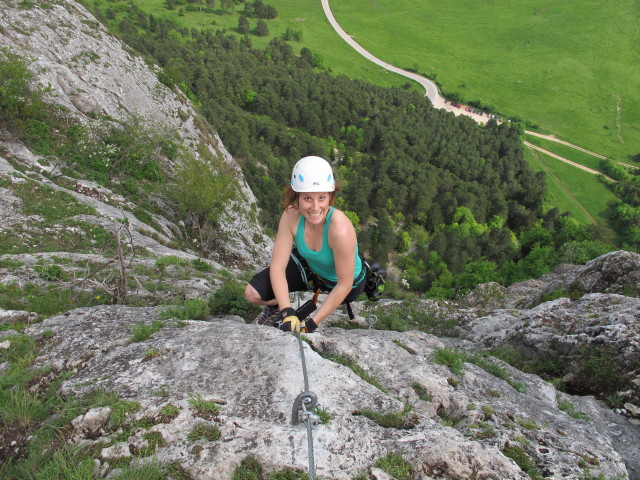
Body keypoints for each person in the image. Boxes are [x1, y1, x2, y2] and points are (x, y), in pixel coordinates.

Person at [244, 156, 366, 333]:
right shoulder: (291, 216)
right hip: (311, 268)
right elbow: (277, 267)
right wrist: (287, 311)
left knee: (344, 286)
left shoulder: (340, 229)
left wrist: (311, 324)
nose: (315, 207)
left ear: (330, 198)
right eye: (308, 198)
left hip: (344, 281)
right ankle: (276, 307)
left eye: (322, 198)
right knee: (252, 293)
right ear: (297, 197)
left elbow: (344, 284)